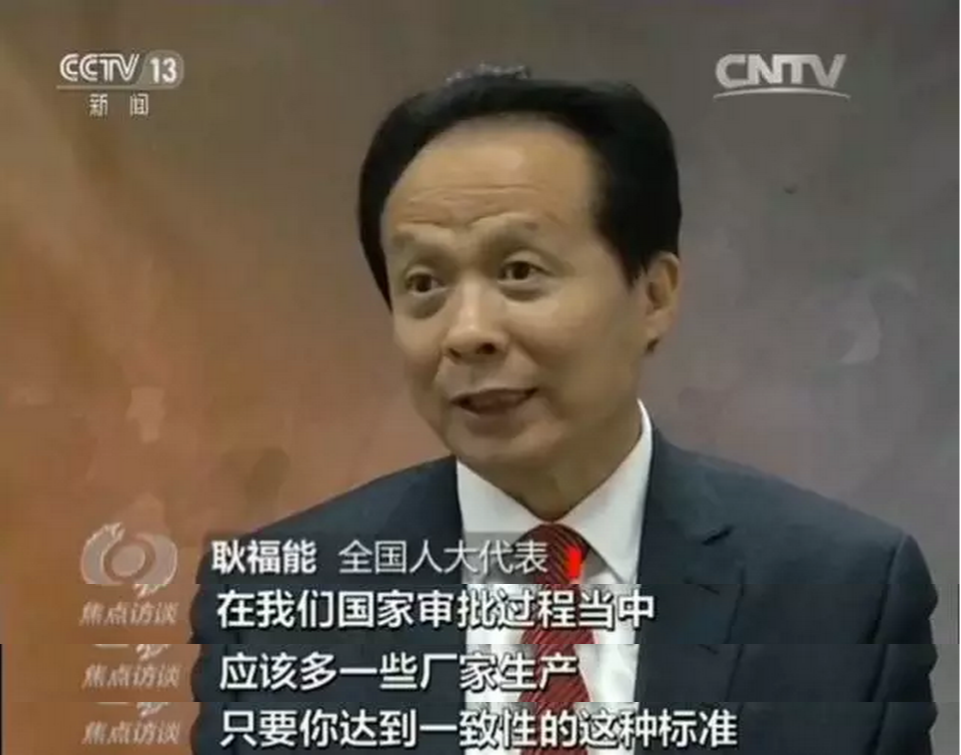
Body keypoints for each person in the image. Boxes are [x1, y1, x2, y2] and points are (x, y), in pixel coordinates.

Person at [191, 66, 938, 755]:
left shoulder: (842, 591)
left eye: (519, 270)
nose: (467, 331)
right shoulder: (277, 599)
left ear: (653, 295)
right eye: (424, 284)